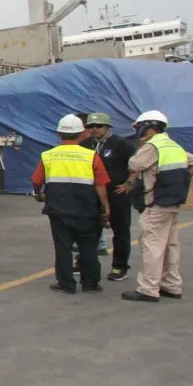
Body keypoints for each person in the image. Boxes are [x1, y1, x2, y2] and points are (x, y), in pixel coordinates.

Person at [119, 110, 193, 304]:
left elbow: (133, 165)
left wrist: (142, 146)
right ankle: (171, 285)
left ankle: (148, 289)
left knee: (152, 245)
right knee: (171, 245)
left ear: (148, 126)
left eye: (139, 127)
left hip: (156, 203)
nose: (138, 131)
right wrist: (181, 180)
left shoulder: (153, 146)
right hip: (172, 202)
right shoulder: (173, 145)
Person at [33, 114, 111, 294]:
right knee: (88, 247)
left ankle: (66, 283)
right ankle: (90, 283)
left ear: (59, 133)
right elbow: (100, 184)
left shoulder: (48, 156)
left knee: (62, 247)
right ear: (82, 133)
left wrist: (37, 194)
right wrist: (105, 206)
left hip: (58, 209)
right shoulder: (91, 156)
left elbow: (37, 180)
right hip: (87, 209)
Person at [83, 112, 135, 277]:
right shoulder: (84, 145)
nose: (94, 129)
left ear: (107, 127)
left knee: (120, 230)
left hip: (116, 192)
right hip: (92, 194)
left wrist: (129, 182)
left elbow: (136, 165)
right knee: (88, 230)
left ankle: (120, 266)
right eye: (90, 126)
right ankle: (84, 261)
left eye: (98, 126)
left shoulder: (121, 144)